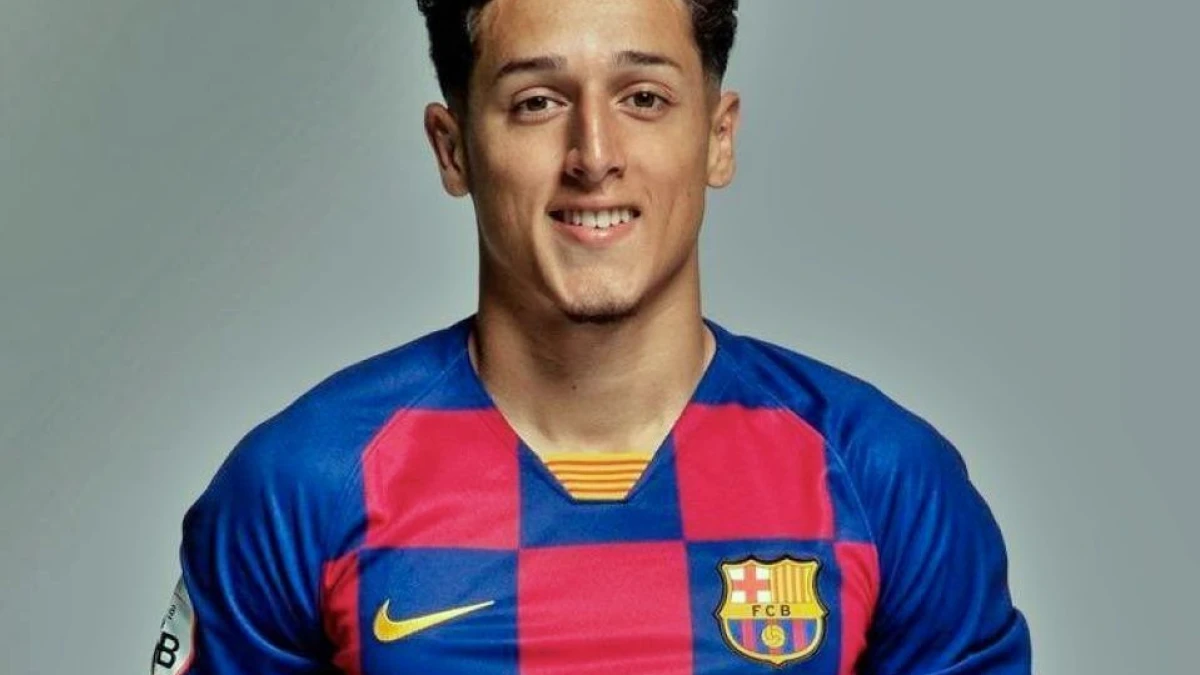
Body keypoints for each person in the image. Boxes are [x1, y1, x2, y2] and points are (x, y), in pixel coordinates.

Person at [151, 0, 1033, 673]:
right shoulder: (300, 486)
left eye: (644, 98)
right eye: (537, 102)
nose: (595, 154)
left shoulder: (884, 480)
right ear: (453, 149)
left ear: (717, 137)